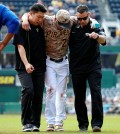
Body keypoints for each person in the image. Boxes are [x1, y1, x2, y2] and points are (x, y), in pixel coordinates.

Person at [22, 8, 100, 131]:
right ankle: (50, 121)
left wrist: (94, 21)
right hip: (49, 61)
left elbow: (86, 17)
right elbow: (29, 14)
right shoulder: (46, 20)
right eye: (61, 24)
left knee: (62, 93)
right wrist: (25, 19)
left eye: (66, 24)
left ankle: (59, 122)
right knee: (51, 89)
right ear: (55, 19)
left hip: (63, 61)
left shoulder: (72, 20)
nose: (64, 27)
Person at [69, 5, 106, 132]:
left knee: (96, 93)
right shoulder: (72, 25)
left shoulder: (95, 26)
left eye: (84, 18)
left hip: (93, 66)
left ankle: (96, 124)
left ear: (88, 15)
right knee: (79, 97)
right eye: (79, 19)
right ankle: (82, 125)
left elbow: (104, 40)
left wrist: (96, 36)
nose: (81, 21)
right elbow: (56, 18)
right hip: (76, 66)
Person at [13, 3, 47, 132]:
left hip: (40, 67)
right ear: (31, 14)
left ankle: (35, 124)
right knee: (28, 90)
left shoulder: (42, 25)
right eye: (38, 17)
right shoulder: (21, 26)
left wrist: (26, 17)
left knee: (38, 95)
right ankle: (26, 122)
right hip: (24, 66)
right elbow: (20, 46)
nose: (40, 19)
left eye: (42, 17)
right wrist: (27, 64)